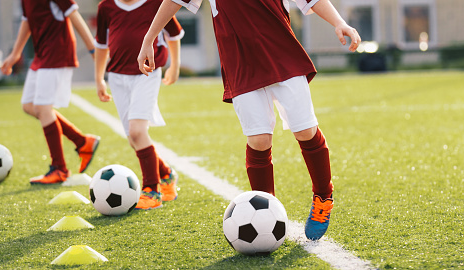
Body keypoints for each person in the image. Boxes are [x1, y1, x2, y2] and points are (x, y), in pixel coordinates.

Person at [137, 0, 360, 240]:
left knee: (305, 130)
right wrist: (149, 37)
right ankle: (267, 212)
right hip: (239, 62)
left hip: (282, 55)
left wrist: (339, 22)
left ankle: (323, 197)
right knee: (259, 139)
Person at [94, 0, 183, 210]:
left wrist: (175, 66)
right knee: (133, 139)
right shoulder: (105, 7)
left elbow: (174, 34)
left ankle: (152, 190)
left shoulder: (156, 3)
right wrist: (99, 78)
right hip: (117, 76)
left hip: (147, 74)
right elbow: (101, 45)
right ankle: (166, 174)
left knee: (137, 132)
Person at [1, 0, 100, 184]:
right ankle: (82, 142)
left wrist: (94, 49)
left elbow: (75, 15)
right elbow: (27, 20)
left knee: (43, 108)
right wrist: (16, 53)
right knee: (29, 106)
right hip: (42, 54)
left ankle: (60, 168)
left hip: (57, 50)